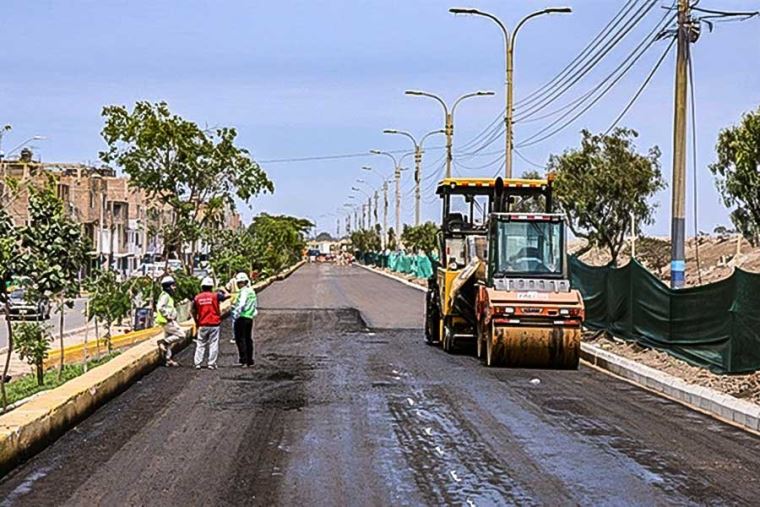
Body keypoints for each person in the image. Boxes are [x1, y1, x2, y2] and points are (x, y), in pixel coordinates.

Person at [191, 277, 229, 370]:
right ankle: (211, 363)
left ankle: (197, 363)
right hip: (214, 324)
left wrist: (197, 322)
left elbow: (192, 310)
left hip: (202, 323)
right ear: (211, 287)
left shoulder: (197, 298)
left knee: (200, 343)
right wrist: (223, 289)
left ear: (202, 287)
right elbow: (228, 295)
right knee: (213, 343)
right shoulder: (216, 296)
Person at [156, 275, 185, 367]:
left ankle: (168, 360)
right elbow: (160, 307)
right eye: (173, 286)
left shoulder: (166, 295)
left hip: (165, 321)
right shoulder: (165, 296)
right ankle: (162, 342)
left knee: (169, 341)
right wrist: (167, 316)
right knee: (181, 335)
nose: (174, 288)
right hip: (167, 321)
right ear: (168, 287)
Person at [232, 272, 257, 367]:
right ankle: (250, 359)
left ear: (242, 283)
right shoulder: (251, 291)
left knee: (240, 339)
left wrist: (236, 313)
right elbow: (254, 305)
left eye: (238, 283)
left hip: (242, 317)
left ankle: (244, 360)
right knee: (248, 339)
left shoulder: (244, 291)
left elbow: (241, 304)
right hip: (249, 317)